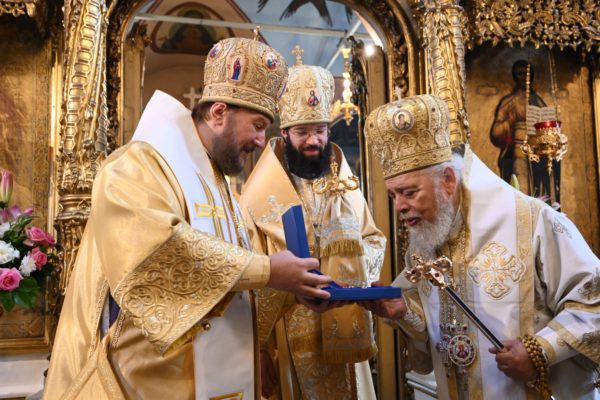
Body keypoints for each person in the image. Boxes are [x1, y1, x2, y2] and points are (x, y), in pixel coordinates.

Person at [44, 37, 333, 400]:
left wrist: (296, 289)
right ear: (218, 113)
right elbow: (156, 253)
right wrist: (269, 271)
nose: (262, 141)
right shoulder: (138, 165)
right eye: (258, 125)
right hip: (142, 387)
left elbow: (239, 284)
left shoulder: (223, 188)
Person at [361, 94, 600, 399]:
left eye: (409, 193)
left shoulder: (532, 222)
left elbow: (593, 301)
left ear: (448, 180)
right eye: (394, 195)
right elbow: (433, 331)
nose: (400, 207)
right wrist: (405, 311)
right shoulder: (424, 242)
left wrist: (540, 351)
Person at [240, 51, 386, 399]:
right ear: (285, 133)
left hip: (344, 325)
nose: (313, 141)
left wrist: (352, 272)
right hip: (290, 327)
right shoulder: (258, 195)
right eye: (302, 132)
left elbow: (373, 239)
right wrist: (261, 345)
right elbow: (250, 267)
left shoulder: (345, 184)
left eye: (320, 131)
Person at [490, 60, 561, 202]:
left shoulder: (538, 102)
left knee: (539, 193)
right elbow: (496, 132)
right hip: (517, 152)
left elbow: (551, 126)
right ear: (515, 76)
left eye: (527, 75)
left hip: (537, 152)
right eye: (520, 74)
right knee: (521, 191)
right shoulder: (509, 102)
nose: (524, 78)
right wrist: (509, 122)